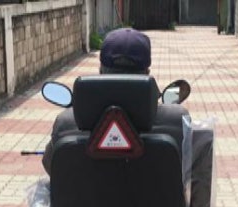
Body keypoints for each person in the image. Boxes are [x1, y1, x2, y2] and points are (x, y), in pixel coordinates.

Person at [41, 28, 190, 174]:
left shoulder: (66, 123)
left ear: (101, 71)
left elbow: (51, 166)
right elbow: (194, 173)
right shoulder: (178, 121)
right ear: (147, 73)